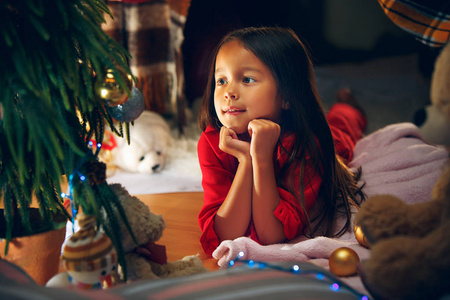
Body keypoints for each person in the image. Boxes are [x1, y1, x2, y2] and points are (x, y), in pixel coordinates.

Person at [197, 26, 367, 256]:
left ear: (287, 96)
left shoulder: (307, 144)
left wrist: (262, 157)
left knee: (341, 127)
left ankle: (350, 107)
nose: (229, 92)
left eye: (247, 79)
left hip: (322, 138)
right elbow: (225, 235)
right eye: (221, 80)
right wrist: (246, 160)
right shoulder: (212, 142)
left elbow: (271, 234)